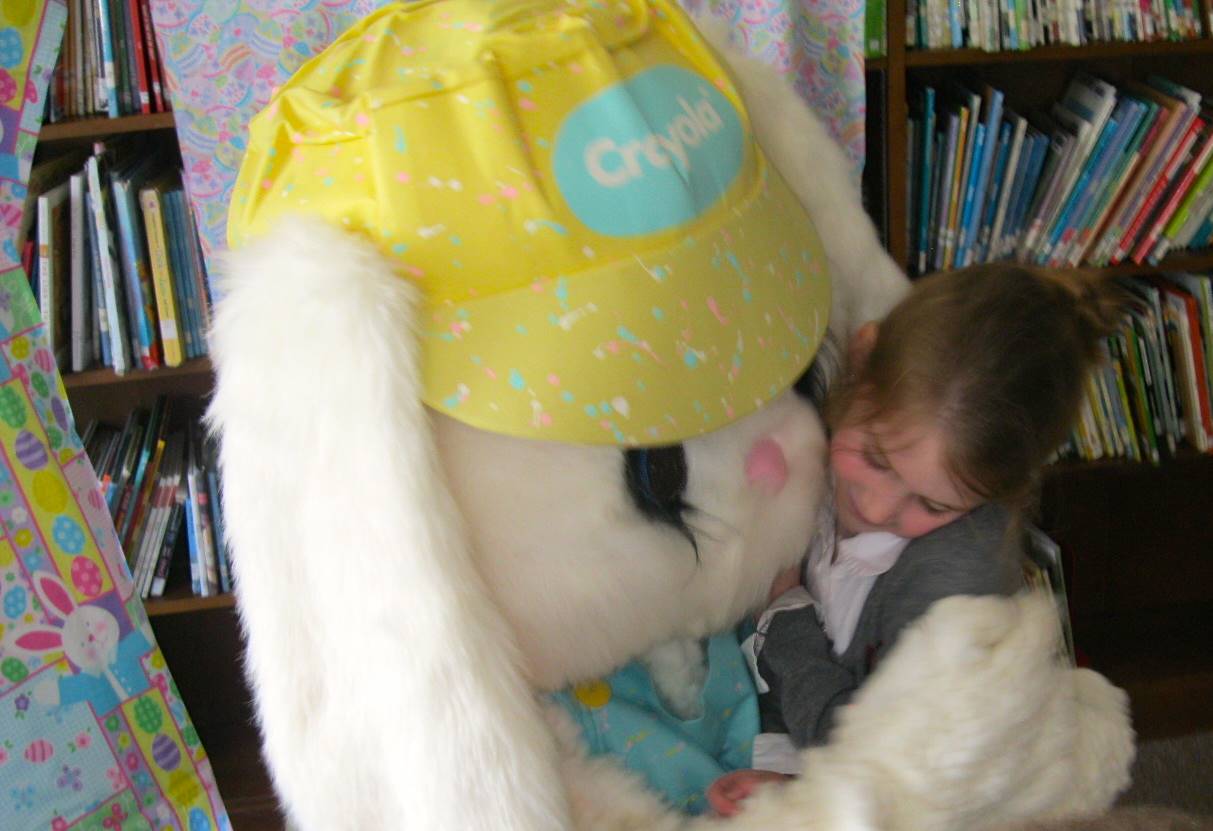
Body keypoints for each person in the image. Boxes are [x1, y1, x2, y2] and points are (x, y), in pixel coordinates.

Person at [707, 263, 1128, 817]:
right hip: (750, 704)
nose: (878, 508)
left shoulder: (960, 578)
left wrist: (784, 612)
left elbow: (885, 761)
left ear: (992, 499)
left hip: (860, 771)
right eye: (876, 458)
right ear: (861, 360)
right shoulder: (805, 413)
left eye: (932, 504)